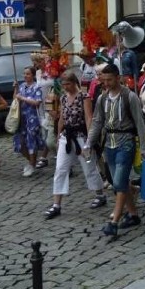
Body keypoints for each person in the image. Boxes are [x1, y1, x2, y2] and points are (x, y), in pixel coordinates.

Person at [85, 63, 145, 238]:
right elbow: (98, 121)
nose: (106, 83)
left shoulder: (130, 97)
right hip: (109, 144)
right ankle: (134, 214)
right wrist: (89, 143)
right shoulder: (102, 99)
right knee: (117, 183)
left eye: (109, 79)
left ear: (118, 78)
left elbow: (139, 122)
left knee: (120, 182)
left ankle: (114, 221)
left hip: (126, 142)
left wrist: (144, 147)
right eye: (103, 80)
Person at [44, 71, 106, 219]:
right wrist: (59, 135)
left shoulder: (84, 97)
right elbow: (62, 118)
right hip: (67, 136)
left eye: (68, 84)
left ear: (74, 83)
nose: (65, 87)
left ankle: (100, 194)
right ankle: (56, 204)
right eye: (63, 84)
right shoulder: (64, 97)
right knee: (60, 168)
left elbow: (88, 117)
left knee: (88, 168)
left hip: (81, 136)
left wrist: (90, 141)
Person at [13, 66, 47, 178]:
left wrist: (23, 98)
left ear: (32, 75)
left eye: (27, 74)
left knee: (31, 141)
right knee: (21, 142)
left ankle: (31, 164)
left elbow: (37, 102)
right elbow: (16, 99)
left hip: (32, 118)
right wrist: (16, 89)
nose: (25, 76)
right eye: (24, 74)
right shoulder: (22, 86)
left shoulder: (37, 87)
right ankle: (32, 161)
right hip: (21, 118)